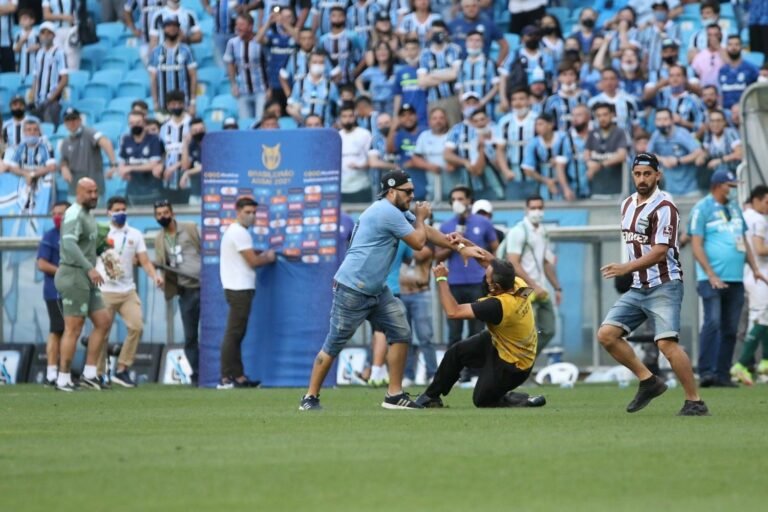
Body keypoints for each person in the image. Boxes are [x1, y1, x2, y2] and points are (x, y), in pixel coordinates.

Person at [299, 170, 465, 411]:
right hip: (353, 287)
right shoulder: (385, 212)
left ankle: (394, 395)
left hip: (377, 288)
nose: (411, 196)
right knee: (334, 343)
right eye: (407, 192)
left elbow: (427, 233)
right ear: (391, 191)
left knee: (401, 332)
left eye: (412, 192)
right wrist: (421, 218)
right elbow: (419, 242)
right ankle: (309, 398)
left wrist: (459, 247)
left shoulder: (394, 210)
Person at [598, 153, 709, 416]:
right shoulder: (626, 204)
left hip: (665, 284)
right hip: (639, 286)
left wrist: (626, 267)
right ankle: (649, 381)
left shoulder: (665, 207)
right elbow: (634, 244)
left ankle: (695, 401)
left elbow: (660, 251)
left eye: (648, 173)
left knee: (666, 345)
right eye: (638, 174)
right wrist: (629, 269)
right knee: (606, 335)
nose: (642, 178)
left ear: (658, 175)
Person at [414, 252, 546, 409]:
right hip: (503, 343)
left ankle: (522, 400)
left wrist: (441, 279)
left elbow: (453, 312)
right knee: (457, 352)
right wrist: (462, 244)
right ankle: (431, 397)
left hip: (514, 365)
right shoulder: (518, 283)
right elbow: (488, 260)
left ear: (495, 287)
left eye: (487, 277)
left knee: (482, 400)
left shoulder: (498, 306)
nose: (485, 273)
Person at [689, 170, 768, 388]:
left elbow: (742, 239)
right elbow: (696, 244)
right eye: (730, 186)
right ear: (717, 185)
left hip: (735, 278)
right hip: (711, 278)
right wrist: (710, 273)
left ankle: (722, 374)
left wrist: (754, 269)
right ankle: (705, 372)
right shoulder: (702, 208)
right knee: (713, 322)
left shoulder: (735, 208)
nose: (733, 190)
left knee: (730, 327)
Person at [94, 196, 163, 387]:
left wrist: (154, 276)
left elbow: (145, 261)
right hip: (105, 290)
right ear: (108, 212)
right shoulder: (100, 232)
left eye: (123, 209)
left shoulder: (134, 234)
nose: (121, 213)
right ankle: (98, 374)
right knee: (102, 332)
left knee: (136, 327)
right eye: (117, 209)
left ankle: (122, 368)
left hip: (127, 290)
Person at [53, 178, 112, 392]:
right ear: (79, 192)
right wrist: (90, 266)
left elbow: (84, 244)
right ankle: (63, 378)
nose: (94, 195)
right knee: (74, 329)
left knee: (103, 321)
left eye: (96, 191)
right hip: (74, 274)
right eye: (90, 192)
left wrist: (102, 251)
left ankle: (89, 374)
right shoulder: (74, 213)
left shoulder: (87, 214)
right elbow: (68, 244)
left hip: (86, 275)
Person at [436, 185, 498, 381]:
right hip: (454, 284)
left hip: (477, 283)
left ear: (469, 201)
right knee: (454, 332)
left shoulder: (483, 223)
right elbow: (438, 255)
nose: (457, 203)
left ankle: (476, 372)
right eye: (454, 199)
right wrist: (454, 243)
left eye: (461, 198)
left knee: (477, 332)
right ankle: (454, 374)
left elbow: (495, 250)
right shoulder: (445, 227)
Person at [217, 196, 276, 389]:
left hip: (238, 287)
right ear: (238, 212)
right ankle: (226, 378)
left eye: (253, 213)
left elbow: (247, 257)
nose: (251, 216)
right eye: (247, 212)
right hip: (239, 289)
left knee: (237, 334)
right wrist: (269, 257)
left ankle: (239, 377)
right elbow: (253, 261)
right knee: (234, 334)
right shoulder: (239, 232)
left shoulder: (236, 232)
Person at [502, 196, 561, 354]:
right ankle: (519, 367)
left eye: (540, 207)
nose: (537, 211)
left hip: (541, 289)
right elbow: (513, 262)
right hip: (524, 289)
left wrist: (557, 288)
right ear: (526, 209)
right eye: (533, 208)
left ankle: (524, 361)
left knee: (548, 330)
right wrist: (533, 286)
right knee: (526, 332)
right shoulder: (518, 231)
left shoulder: (543, 232)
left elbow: (546, 262)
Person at [154, 199, 201, 383]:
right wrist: (160, 278)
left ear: (172, 213)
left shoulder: (190, 228)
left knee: (213, 331)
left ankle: (217, 371)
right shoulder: (159, 238)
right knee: (190, 336)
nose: (162, 217)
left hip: (205, 288)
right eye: (158, 214)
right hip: (185, 291)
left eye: (165, 212)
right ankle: (197, 374)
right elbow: (162, 263)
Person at [731, 185, 768, 385]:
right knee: (760, 320)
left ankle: (764, 363)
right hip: (759, 275)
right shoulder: (759, 220)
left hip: (747, 273)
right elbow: (760, 249)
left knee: (763, 318)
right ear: (756, 200)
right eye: (766, 202)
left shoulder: (745, 216)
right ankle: (740, 365)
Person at [36, 201, 70, 386]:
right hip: (55, 292)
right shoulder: (50, 236)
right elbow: (41, 263)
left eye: (62, 213)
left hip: (74, 292)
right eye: (55, 213)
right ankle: (52, 372)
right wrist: (64, 273)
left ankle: (64, 370)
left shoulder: (76, 235)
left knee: (70, 330)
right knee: (58, 330)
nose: (58, 217)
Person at [59, 107, 118, 205]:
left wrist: (113, 163)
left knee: (95, 217)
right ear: (65, 123)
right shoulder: (65, 142)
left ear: (79, 120)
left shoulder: (89, 133)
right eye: (68, 120)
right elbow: (64, 160)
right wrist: (64, 168)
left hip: (93, 188)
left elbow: (105, 142)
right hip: (75, 189)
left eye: (74, 119)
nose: (71, 123)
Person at [647, 108, 704, 197]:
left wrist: (678, 160)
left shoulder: (681, 134)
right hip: (669, 190)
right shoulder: (656, 135)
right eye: (659, 120)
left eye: (665, 119)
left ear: (672, 120)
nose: (662, 123)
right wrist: (662, 159)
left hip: (690, 189)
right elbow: (648, 155)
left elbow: (698, 152)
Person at [3, 118, 56, 215]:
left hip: (41, 179)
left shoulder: (46, 145)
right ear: (24, 132)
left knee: (48, 178)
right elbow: (12, 167)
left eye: (35, 129)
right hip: (24, 179)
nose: (32, 132)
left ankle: (42, 214)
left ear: (39, 132)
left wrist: (32, 174)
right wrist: (26, 174)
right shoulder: (20, 146)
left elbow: (52, 166)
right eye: (29, 129)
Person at [495, 87, 538, 200]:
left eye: (522, 99)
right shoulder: (504, 122)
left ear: (529, 100)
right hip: (514, 173)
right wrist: (505, 170)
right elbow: (500, 149)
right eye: (514, 99)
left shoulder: (537, 120)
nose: (518, 103)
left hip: (535, 174)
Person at [148, 18, 198, 114]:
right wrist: (154, 101)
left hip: (184, 105)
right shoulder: (156, 51)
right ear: (164, 30)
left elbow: (193, 77)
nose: (172, 29)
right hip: (163, 104)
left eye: (175, 27)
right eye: (169, 27)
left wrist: (193, 102)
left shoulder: (186, 50)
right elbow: (153, 78)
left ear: (179, 30)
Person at [114, 110, 164, 205]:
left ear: (144, 123)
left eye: (138, 122)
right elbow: (122, 163)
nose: (135, 125)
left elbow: (153, 165)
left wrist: (130, 168)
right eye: (132, 123)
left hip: (152, 190)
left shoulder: (154, 139)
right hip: (133, 190)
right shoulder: (126, 139)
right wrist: (122, 170)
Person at [225, 13, 268, 122]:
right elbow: (230, 63)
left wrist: (269, 88)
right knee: (245, 122)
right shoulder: (232, 43)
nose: (238, 28)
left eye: (242, 25)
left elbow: (269, 65)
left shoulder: (260, 42)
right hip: (243, 90)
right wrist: (233, 84)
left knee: (260, 121)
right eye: (237, 25)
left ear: (250, 26)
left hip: (261, 89)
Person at [584, 102, 630, 198]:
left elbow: (622, 155)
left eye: (605, 114)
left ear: (612, 115)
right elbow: (586, 154)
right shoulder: (592, 133)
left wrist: (599, 165)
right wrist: (589, 163)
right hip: (596, 190)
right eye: (599, 116)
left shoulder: (619, 132)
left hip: (617, 190)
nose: (602, 118)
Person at [30, 22, 67, 127]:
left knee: (49, 127)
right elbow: (36, 77)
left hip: (52, 101)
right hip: (38, 100)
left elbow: (64, 79)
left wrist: (51, 98)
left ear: (53, 35)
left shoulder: (59, 52)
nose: (45, 35)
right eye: (43, 33)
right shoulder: (39, 53)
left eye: (48, 33)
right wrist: (33, 97)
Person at [159, 90, 192, 202]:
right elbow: (163, 151)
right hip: (168, 179)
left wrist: (175, 167)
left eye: (179, 103)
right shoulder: (164, 127)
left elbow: (195, 152)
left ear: (184, 104)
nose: (176, 106)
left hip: (188, 178)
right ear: (168, 106)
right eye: (173, 104)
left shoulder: (192, 124)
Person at [339, 103, 372, 204]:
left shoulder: (364, 134)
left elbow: (372, 160)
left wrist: (361, 166)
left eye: (350, 116)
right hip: (342, 188)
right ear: (340, 118)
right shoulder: (337, 136)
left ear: (355, 117)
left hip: (361, 186)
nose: (347, 119)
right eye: (344, 116)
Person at [718, 35, 759, 112]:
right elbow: (721, 93)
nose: (733, 48)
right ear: (726, 47)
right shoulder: (722, 70)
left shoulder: (751, 69)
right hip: (726, 113)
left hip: (747, 111)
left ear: (741, 47)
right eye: (730, 45)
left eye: (736, 44)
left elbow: (756, 93)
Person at [180, 117, 204, 204]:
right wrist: (185, 144)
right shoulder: (191, 146)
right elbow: (185, 166)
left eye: (201, 129)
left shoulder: (212, 144)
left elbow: (207, 166)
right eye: (195, 130)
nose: (199, 132)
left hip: (210, 193)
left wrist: (188, 173)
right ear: (191, 132)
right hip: (195, 193)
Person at [13, 9, 38, 79]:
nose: (22, 22)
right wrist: (21, 41)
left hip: (35, 65)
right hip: (22, 67)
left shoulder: (37, 34)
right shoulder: (18, 34)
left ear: (32, 21)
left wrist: (36, 47)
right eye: (20, 20)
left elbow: (43, 46)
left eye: (25, 19)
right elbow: (15, 49)